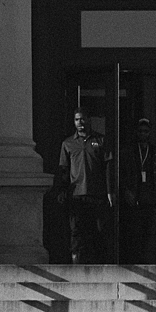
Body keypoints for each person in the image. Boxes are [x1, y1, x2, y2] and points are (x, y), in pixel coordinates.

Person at [57, 112, 108, 264]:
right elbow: (63, 169)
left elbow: (108, 167)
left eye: (83, 119)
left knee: (99, 229)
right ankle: (76, 263)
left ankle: (101, 264)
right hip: (76, 194)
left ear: (89, 120)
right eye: (77, 119)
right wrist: (61, 190)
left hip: (96, 193)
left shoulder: (100, 140)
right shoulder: (68, 143)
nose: (80, 122)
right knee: (76, 230)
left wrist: (110, 191)